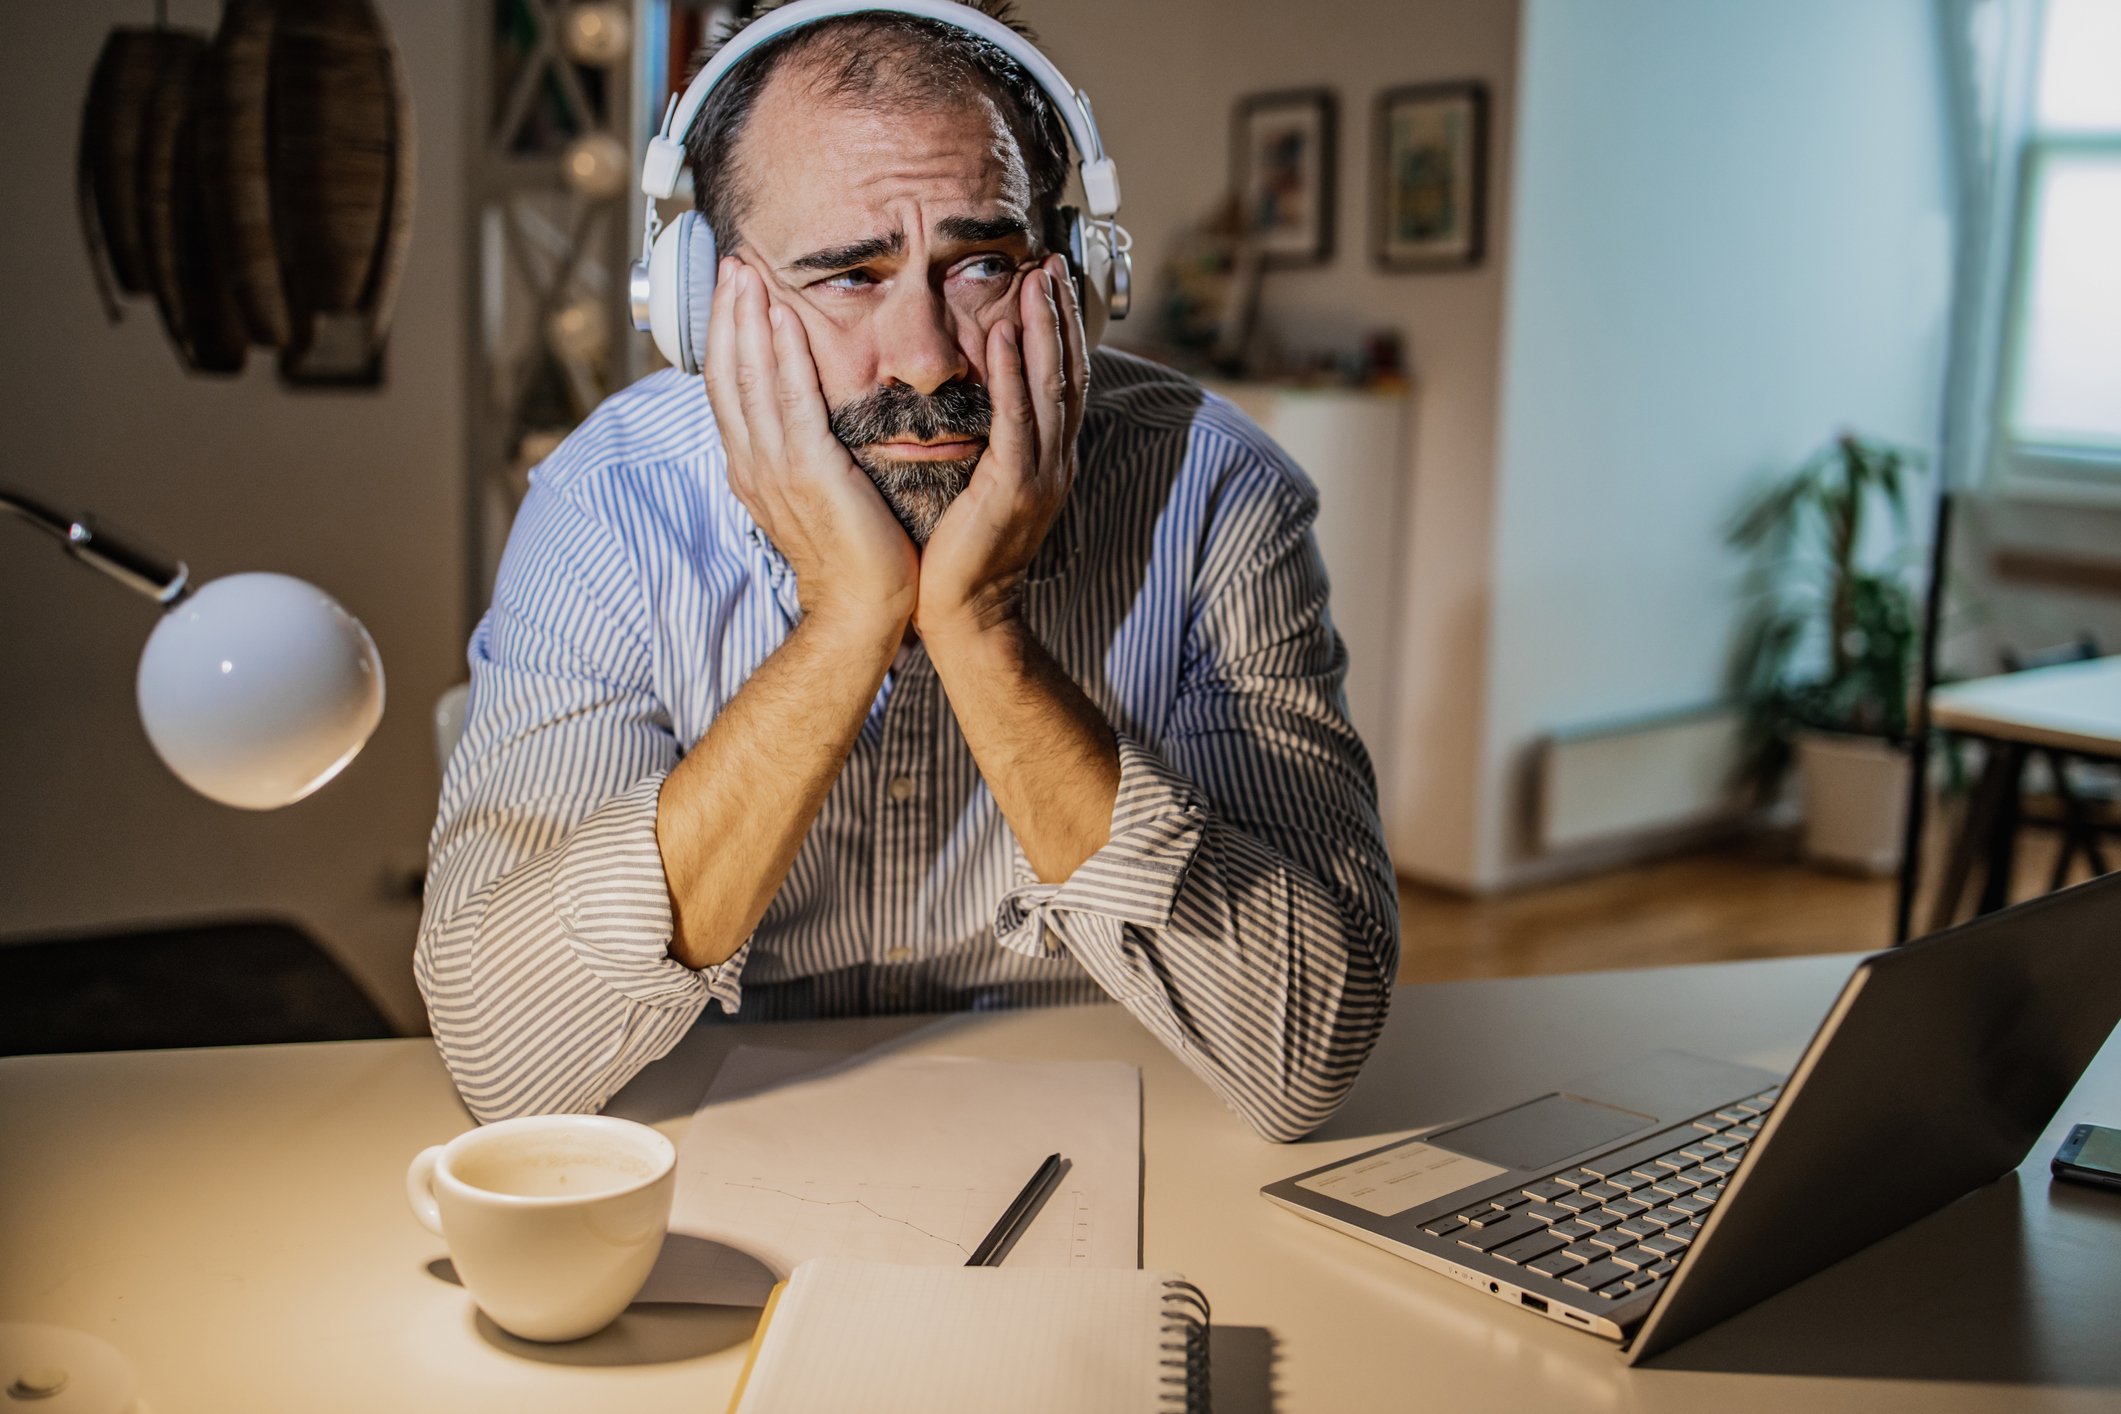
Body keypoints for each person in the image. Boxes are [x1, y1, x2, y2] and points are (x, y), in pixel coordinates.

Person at [417, 0, 1398, 1143]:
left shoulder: (1221, 493)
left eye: (980, 263)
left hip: (1121, 1137)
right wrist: (845, 626)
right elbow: (500, 1058)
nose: (926, 357)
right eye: (848, 276)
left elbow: (1306, 1050)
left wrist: (979, 627)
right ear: (705, 305)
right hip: (721, 1147)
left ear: (1074, 276)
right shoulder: (611, 504)